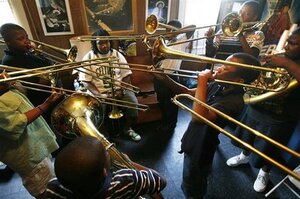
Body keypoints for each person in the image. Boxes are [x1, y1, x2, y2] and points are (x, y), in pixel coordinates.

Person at [154, 52, 261, 198]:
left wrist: (202, 81)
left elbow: (198, 118)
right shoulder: (219, 84)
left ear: (239, 80)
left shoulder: (234, 102)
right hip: (194, 138)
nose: (220, 68)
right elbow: (186, 91)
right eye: (223, 64)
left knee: (193, 181)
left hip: (202, 147)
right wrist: (164, 77)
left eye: (226, 68)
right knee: (190, 176)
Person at [226, 26, 300, 193]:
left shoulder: (286, 60)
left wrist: (285, 63)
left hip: (280, 116)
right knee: (247, 135)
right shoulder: (282, 56)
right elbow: (260, 75)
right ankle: (244, 156)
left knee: (270, 147)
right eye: (288, 42)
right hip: (258, 107)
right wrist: (263, 66)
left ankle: (264, 172)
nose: (287, 46)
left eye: (293, 44)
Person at [0, 72, 62, 198]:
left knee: (53, 185)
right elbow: (17, 122)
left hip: (38, 147)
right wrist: (46, 105)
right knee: (46, 191)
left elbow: (23, 92)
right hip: (29, 156)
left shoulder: (6, 90)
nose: (2, 75)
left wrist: (12, 81)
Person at [45, 136, 167, 198]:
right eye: (106, 153)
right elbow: (160, 181)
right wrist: (129, 162)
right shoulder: (127, 180)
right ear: (104, 172)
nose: (108, 152)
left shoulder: (53, 188)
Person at [78, 29, 141, 142]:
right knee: (94, 113)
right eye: (100, 43)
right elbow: (85, 81)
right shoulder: (88, 58)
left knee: (133, 103)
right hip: (99, 93)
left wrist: (121, 90)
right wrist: (99, 95)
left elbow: (127, 75)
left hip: (119, 89)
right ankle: (103, 136)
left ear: (110, 42)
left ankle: (128, 129)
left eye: (106, 42)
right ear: (94, 44)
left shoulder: (117, 54)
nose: (104, 46)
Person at [154, 19, 195, 133]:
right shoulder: (162, 41)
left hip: (172, 76)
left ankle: (171, 124)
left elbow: (193, 26)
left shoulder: (182, 40)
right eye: (168, 29)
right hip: (159, 75)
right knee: (161, 101)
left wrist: (177, 32)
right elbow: (155, 57)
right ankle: (164, 121)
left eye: (172, 29)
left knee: (171, 102)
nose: (169, 31)